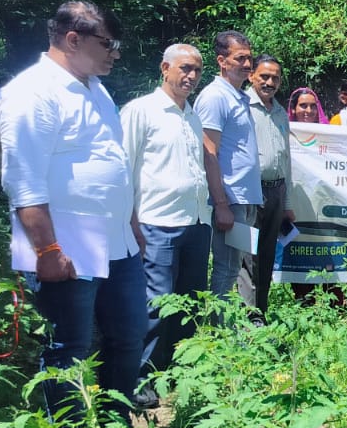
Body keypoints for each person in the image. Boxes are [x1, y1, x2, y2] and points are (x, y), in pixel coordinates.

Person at [0, 1, 147, 428]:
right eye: (108, 44)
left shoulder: (98, 90)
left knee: (128, 339)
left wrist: (133, 220)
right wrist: (47, 250)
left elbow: (112, 165)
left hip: (117, 240)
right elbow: (23, 182)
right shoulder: (31, 93)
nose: (116, 54)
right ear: (72, 39)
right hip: (67, 244)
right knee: (70, 350)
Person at [121, 43, 210, 401]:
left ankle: (175, 372)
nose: (191, 77)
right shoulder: (140, 111)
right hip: (156, 223)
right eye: (185, 69)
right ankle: (141, 378)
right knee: (156, 303)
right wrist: (129, 221)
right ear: (165, 68)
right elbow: (123, 169)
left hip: (195, 221)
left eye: (197, 71)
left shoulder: (192, 114)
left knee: (188, 303)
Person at [195, 30, 262, 296]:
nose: (247, 65)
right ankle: (218, 331)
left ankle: (223, 327)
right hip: (229, 199)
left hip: (244, 198)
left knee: (234, 266)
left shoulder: (239, 96)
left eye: (249, 58)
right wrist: (221, 203)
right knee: (226, 266)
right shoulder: (215, 97)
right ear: (222, 61)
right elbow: (208, 152)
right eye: (240, 58)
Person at [243, 54, 294, 315]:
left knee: (266, 256)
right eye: (264, 76)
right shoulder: (242, 106)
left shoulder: (280, 112)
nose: (269, 82)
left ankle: (260, 311)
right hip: (251, 192)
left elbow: (286, 158)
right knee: (248, 257)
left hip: (277, 191)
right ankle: (247, 318)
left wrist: (287, 203)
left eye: (275, 77)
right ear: (251, 75)